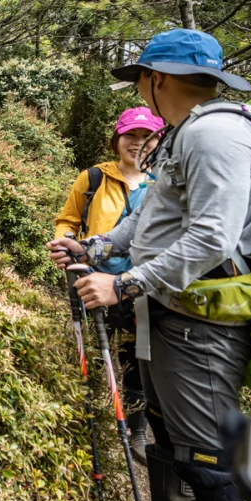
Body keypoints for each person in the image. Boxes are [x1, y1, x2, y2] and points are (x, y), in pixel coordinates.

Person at [46, 29, 251, 501]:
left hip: (202, 324)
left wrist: (124, 283)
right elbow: (151, 219)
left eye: (142, 77)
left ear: (159, 78)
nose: (142, 88)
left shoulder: (217, 134)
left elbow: (213, 237)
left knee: (210, 457)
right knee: (170, 435)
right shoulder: (183, 134)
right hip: (171, 313)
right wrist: (94, 249)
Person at [53, 106, 165, 465]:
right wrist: (64, 246)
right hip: (90, 280)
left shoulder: (164, 183)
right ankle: (89, 417)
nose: (137, 143)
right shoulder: (94, 177)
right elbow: (68, 220)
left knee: (135, 358)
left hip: (140, 286)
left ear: (160, 141)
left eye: (147, 136)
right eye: (130, 135)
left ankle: (136, 429)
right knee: (90, 350)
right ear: (117, 139)